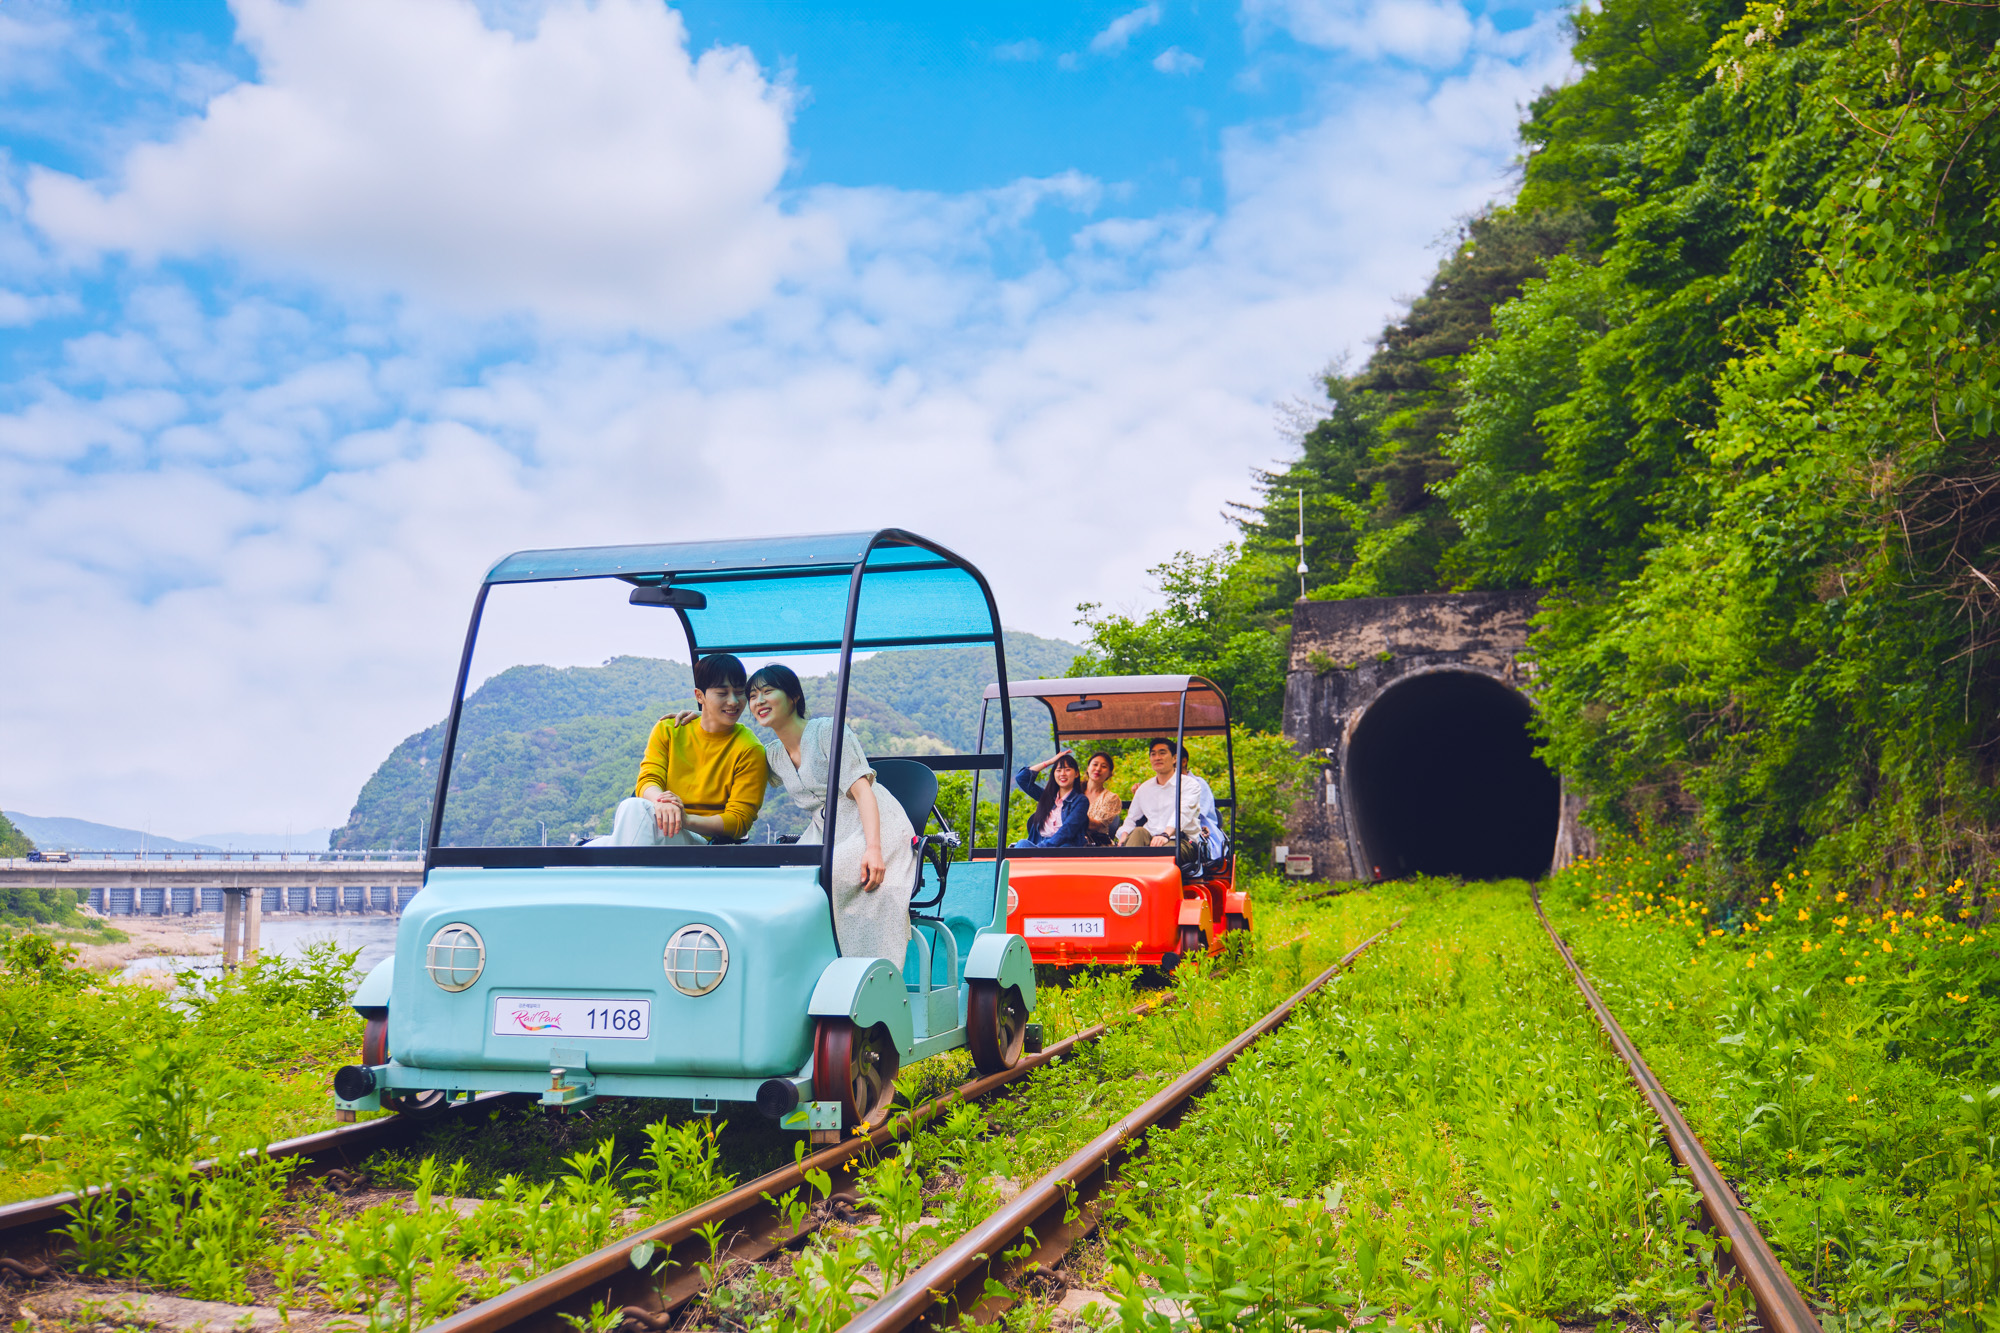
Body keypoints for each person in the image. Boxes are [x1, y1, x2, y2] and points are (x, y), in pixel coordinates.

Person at [749, 663, 916, 960]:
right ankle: (807, 960)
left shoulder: (826, 731)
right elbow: (736, 764)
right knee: (787, 876)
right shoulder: (773, 754)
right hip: (825, 830)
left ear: (794, 697)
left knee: (834, 870)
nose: (758, 701)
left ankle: (865, 966)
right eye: (752, 695)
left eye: (767, 691)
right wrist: (703, 718)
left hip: (870, 820)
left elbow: (863, 791)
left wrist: (874, 849)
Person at [610, 654, 769, 846]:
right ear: (699, 696)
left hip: (703, 843)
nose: (733, 701)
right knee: (624, 816)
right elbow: (648, 779)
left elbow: (739, 820)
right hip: (659, 825)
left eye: (739, 692)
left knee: (632, 810)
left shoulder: (749, 749)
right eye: (722, 693)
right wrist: (661, 801)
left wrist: (684, 819)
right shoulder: (669, 729)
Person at [1116, 738, 1204, 857]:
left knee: (1162, 853)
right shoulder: (1144, 788)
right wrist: (1124, 834)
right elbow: (1131, 819)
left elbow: (1182, 813)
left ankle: (1140, 870)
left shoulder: (1190, 784)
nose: (1157, 757)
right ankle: (1127, 869)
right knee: (1138, 832)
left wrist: (1165, 835)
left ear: (1174, 758)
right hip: (1150, 839)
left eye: (1162, 753)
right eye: (1153, 754)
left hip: (1180, 840)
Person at [1012, 751, 1089, 848]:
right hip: (1040, 843)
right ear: (1054, 774)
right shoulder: (1047, 797)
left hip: (1064, 846)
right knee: (1022, 843)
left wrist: (1043, 848)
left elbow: (1068, 829)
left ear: (1076, 773)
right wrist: (1050, 762)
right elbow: (1021, 779)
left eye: (1067, 770)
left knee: (1064, 848)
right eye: (1058, 770)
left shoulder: (1080, 801)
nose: (1063, 774)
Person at [1179, 750, 1227, 859]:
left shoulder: (1197, 784)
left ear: (1183, 761)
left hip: (1200, 833)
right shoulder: (1161, 786)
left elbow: (1194, 816)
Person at [1083, 751, 1123, 845]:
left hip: (1097, 845)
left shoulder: (1111, 798)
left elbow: (1095, 826)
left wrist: (1073, 816)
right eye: (1095, 764)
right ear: (1088, 768)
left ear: (1109, 773)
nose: (1098, 769)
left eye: (1104, 766)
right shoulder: (1075, 791)